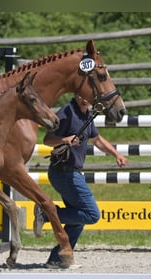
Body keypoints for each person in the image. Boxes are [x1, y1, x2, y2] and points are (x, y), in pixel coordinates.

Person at [33, 95, 128, 269]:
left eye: (87, 96)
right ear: (76, 94)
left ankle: (58, 259)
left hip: (72, 173)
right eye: (81, 95)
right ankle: (46, 214)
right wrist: (65, 139)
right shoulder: (67, 113)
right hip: (64, 173)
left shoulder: (86, 115)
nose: (85, 99)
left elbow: (97, 140)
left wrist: (116, 154)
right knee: (92, 215)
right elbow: (47, 140)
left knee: (78, 219)